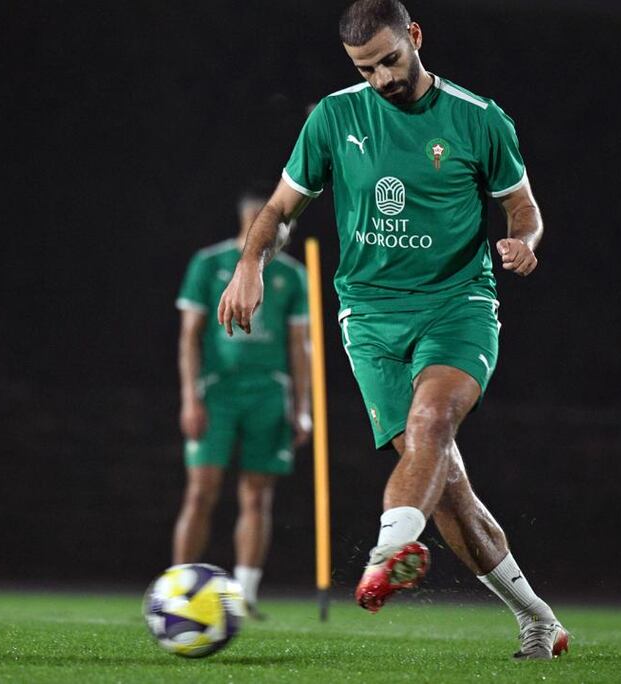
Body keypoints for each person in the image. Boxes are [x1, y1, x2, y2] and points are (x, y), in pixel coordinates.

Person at [217, 0, 569, 659]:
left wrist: (523, 241)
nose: (381, 78)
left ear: (415, 36)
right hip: (370, 319)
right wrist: (251, 265)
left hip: (457, 305)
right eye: (365, 69)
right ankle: (536, 618)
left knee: (431, 425)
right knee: (445, 487)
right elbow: (281, 208)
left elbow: (523, 207)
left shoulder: (478, 118)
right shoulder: (334, 117)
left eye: (390, 61)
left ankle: (387, 553)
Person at [172, 188, 312, 619]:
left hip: (269, 393)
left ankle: (245, 593)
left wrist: (302, 407)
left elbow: (300, 345)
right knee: (201, 490)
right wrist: (190, 397)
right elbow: (189, 336)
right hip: (218, 392)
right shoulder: (209, 264)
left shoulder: (292, 276)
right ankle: (178, 590)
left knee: (257, 495)